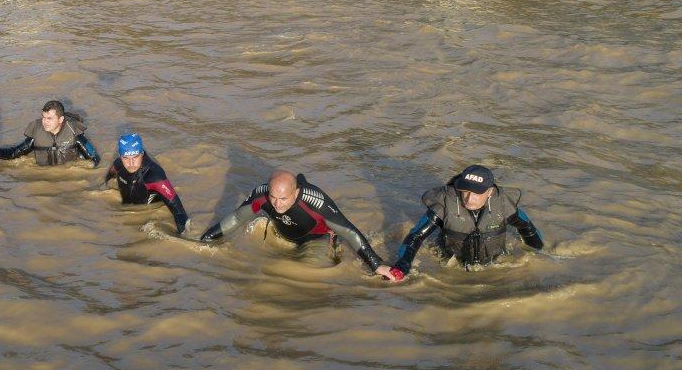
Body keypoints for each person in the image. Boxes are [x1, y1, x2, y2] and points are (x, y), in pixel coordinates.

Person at [200, 169, 402, 280]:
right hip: (283, 236)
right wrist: (205, 239)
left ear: (296, 193)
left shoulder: (316, 201)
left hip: (317, 239)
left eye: (284, 198)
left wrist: (377, 265)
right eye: (273, 197)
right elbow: (236, 218)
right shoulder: (262, 194)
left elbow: (348, 231)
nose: (277, 204)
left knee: (305, 275)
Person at [391, 165, 544, 278]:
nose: (469, 199)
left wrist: (540, 254)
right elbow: (415, 236)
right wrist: (403, 265)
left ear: (490, 192)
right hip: (451, 264)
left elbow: (528, 228)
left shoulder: (503, 205)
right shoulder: (444, 205)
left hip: (496, 264)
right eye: (465, 191)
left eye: (477, 193)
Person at [103, 133, 188, 234]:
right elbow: (107, 180)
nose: (131, 163)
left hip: (149, 216)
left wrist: (183, 236)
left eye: (135, 157)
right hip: (126, 215)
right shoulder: (117, 165)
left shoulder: (155, 176)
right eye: (126, 158)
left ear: (142, 154)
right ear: (120, 157)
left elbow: (179, 211)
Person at [0, 100, 101, 167]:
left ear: (61, 120)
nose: (45, 122)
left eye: (50, 118)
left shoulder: (75, 135)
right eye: (44, 117)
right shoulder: (37, 134)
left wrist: (81, 171)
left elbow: (95, 159)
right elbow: (13, 153)